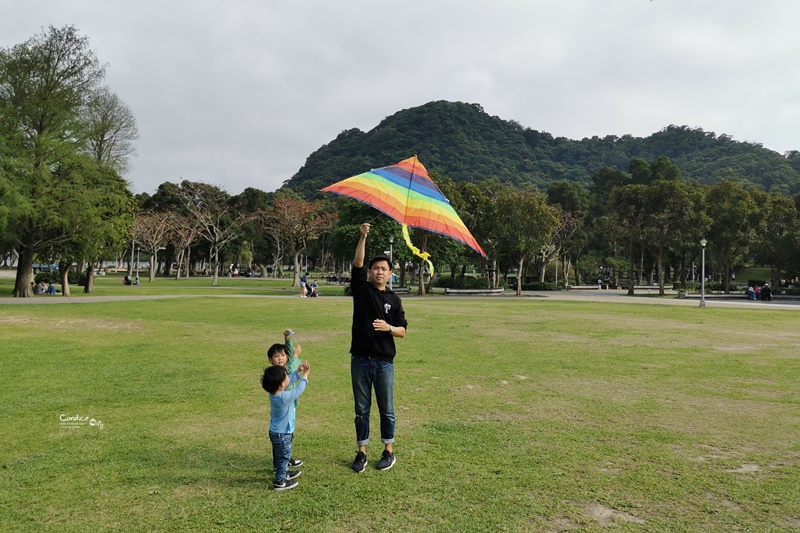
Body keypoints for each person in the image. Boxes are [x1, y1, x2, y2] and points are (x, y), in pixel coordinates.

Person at [349, 222, 408, 473]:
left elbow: (403, 330)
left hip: (384, 363)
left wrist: (389, 328)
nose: (379, 272)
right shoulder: (362, 292)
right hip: (360, 360)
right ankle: (361, 452)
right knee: (361, 410)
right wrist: (363, 237)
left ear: (390, 273)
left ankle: (388, 451)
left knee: (387, 410)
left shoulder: (394, 300)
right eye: (376, 269)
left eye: (383, 269)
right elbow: (357, 265)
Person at [262, 360, 310, 491]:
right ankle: (280, 481)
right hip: (283, 434)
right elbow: (298, 390)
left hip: (275, 432)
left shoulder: (274, 393)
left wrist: (297, 372)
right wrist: (305, 375)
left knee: (280, 456)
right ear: (282, 384)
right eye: (286, 375)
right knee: (283, 457)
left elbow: (288, 383)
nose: (288, 376)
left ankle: (282, 473)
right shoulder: (284, 398)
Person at [267, 330, 304, 470]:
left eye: (283, 355)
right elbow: (291, 366)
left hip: (289, 407)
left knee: (288, 436)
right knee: (282, 437)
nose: (281, 358)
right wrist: (295, 355)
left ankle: (286, 458)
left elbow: (290, 362)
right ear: (270, 359)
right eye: (276, 356)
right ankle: (280, 464)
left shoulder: (283, 368)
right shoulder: (278, 373)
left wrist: (287, 339)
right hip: (283, 409)